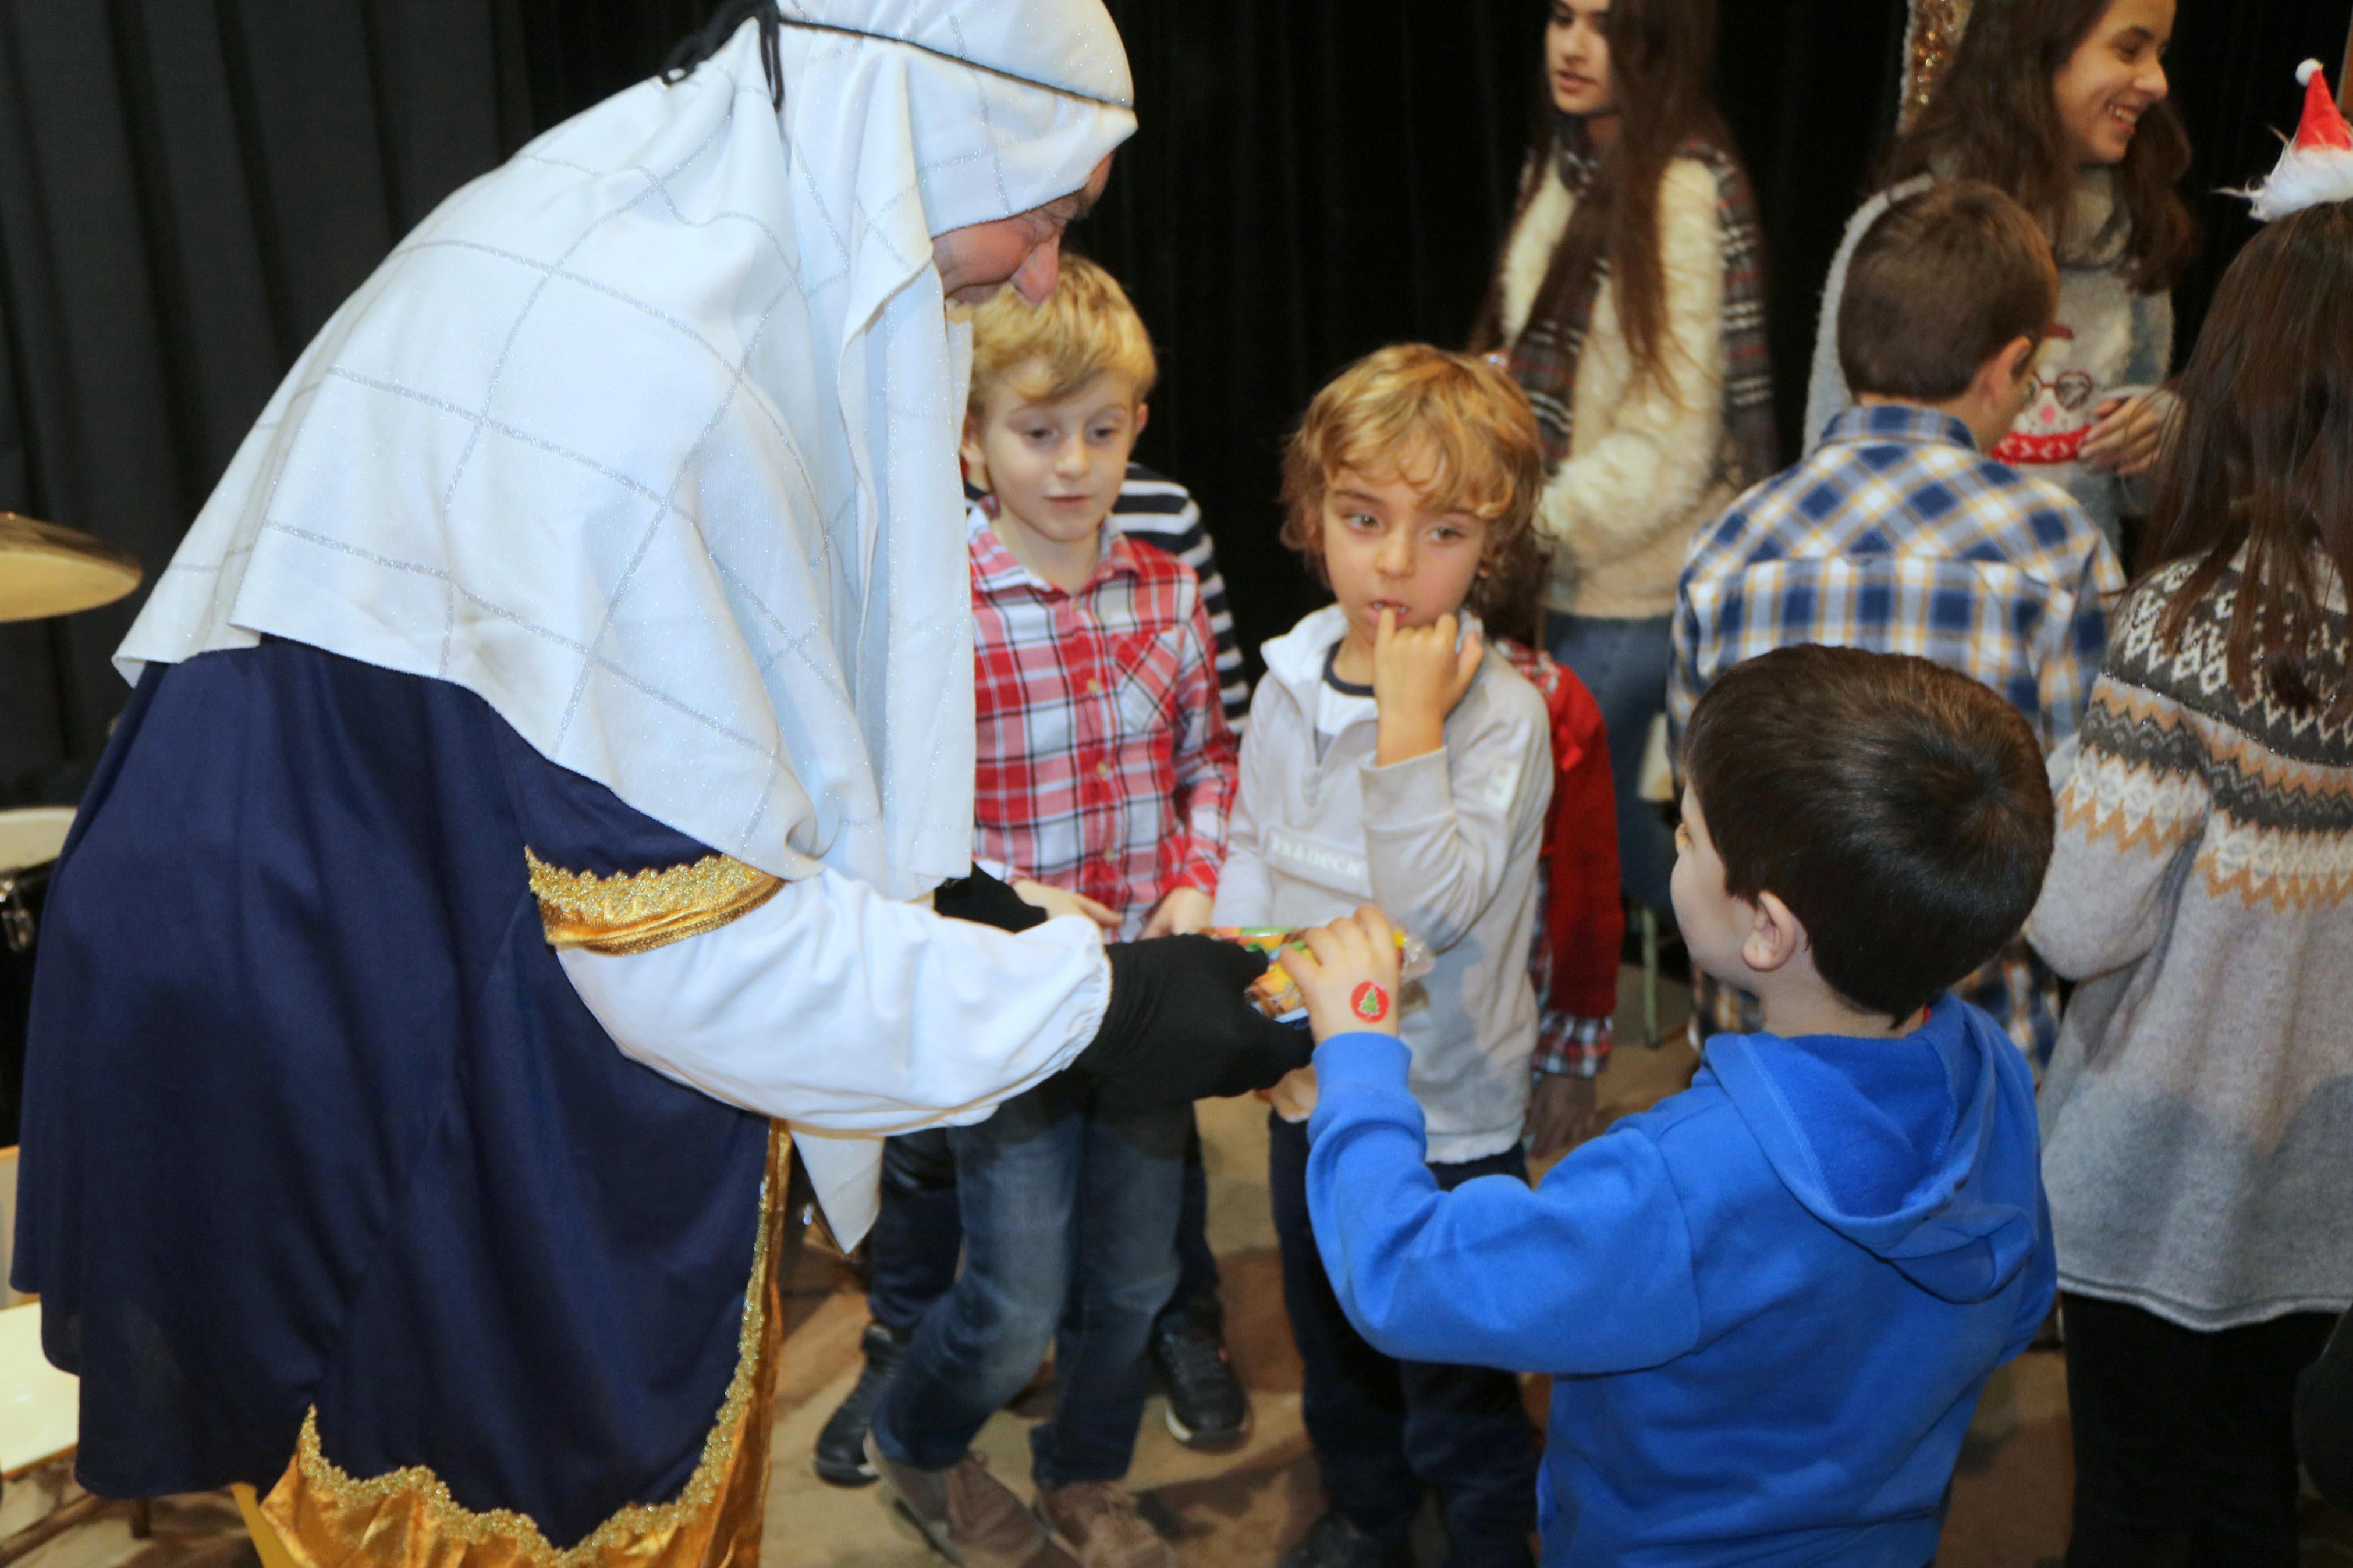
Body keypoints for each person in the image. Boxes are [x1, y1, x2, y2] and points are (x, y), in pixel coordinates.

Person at [7, 7, 1311, 1566]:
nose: (1041, 275)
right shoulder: (656, 367)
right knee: (514, 1479)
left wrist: (950, 905)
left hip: (386, 889)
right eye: (1047, 212)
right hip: (363, 999)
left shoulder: (656, 213)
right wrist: (1102, 1005)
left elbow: (693, 730)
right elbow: (694, 964)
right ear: (920, 129)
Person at [1289, 644, 2059, 1568]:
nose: (1673, 847)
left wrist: (1359, 1054)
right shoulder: (1991, 1069)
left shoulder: (1679, 1181)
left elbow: (1401, 1274)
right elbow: (2017, 1306)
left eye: (1686, 834)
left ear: (1766, 927)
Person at [814, 339, 1257, 1491]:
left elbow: (1209, 760)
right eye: (1037, 433)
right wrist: (1000, 893)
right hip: (1004, 999)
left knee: (1133, 1281)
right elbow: (888, 803)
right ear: (971, 443)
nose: (1071, 465)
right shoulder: (934, 606)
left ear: (1136, 430)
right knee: (1014, 1302)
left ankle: (1083, 1476)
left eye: (1100, 433)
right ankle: (918, 1440)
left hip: (1138, 993)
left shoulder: (1166, 590)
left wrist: (1194, 875)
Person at [2024, 76, 2353, 1562]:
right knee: (2250, 1501)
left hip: (2152, 1185)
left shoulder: (2196, 621)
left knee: (2134, 1507)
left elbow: (2077, 921)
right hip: (2320, 1195)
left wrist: (2048, 775)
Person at [1215, 345, 1554, 1568]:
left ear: (1491, 548)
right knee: (1334, 1338)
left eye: (1442, 531)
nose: (1397, 565)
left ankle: (1489, 1536)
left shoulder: (1499, 716)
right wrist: (1245, 1003)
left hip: (1447, 1112)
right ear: (1313, 519)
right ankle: (1364, 1515)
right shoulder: (1288, 679)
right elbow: (1252, 847)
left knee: (1454, 1372)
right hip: (1310, 1093)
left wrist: (1409, 728)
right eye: (1364, 520)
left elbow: (1436, 913)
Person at [1672, 180, 2122, 1061]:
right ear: (2009, 367)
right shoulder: (2058, 548)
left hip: (1757, 1049)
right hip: (1965, 1050)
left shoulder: (1726, 543)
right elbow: (2080, 838)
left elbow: (1698, 794)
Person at [1469, 0, 1776, 921]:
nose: (1571, 46)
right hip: (1552, 566)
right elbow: (1537, 353)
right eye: (1561, 17)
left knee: (1574, 819)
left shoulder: (1678, 190)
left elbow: (1670, 443)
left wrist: (1524, 523)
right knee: (1535, 816)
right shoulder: (1566, 161)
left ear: (1656, 41)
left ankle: (1757, 948)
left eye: (1604, 27)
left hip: (1630, 583)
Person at [1806, 0, 2196, 555]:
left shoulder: (2129, 237)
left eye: (2160, 54)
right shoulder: (1901, 230)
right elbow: (1828, 456)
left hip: (2064, 592)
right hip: (1911, 590)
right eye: (2128, 50)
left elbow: (2138, 494)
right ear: (2038, 47)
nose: (2157, 83)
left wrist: (2158, 437)